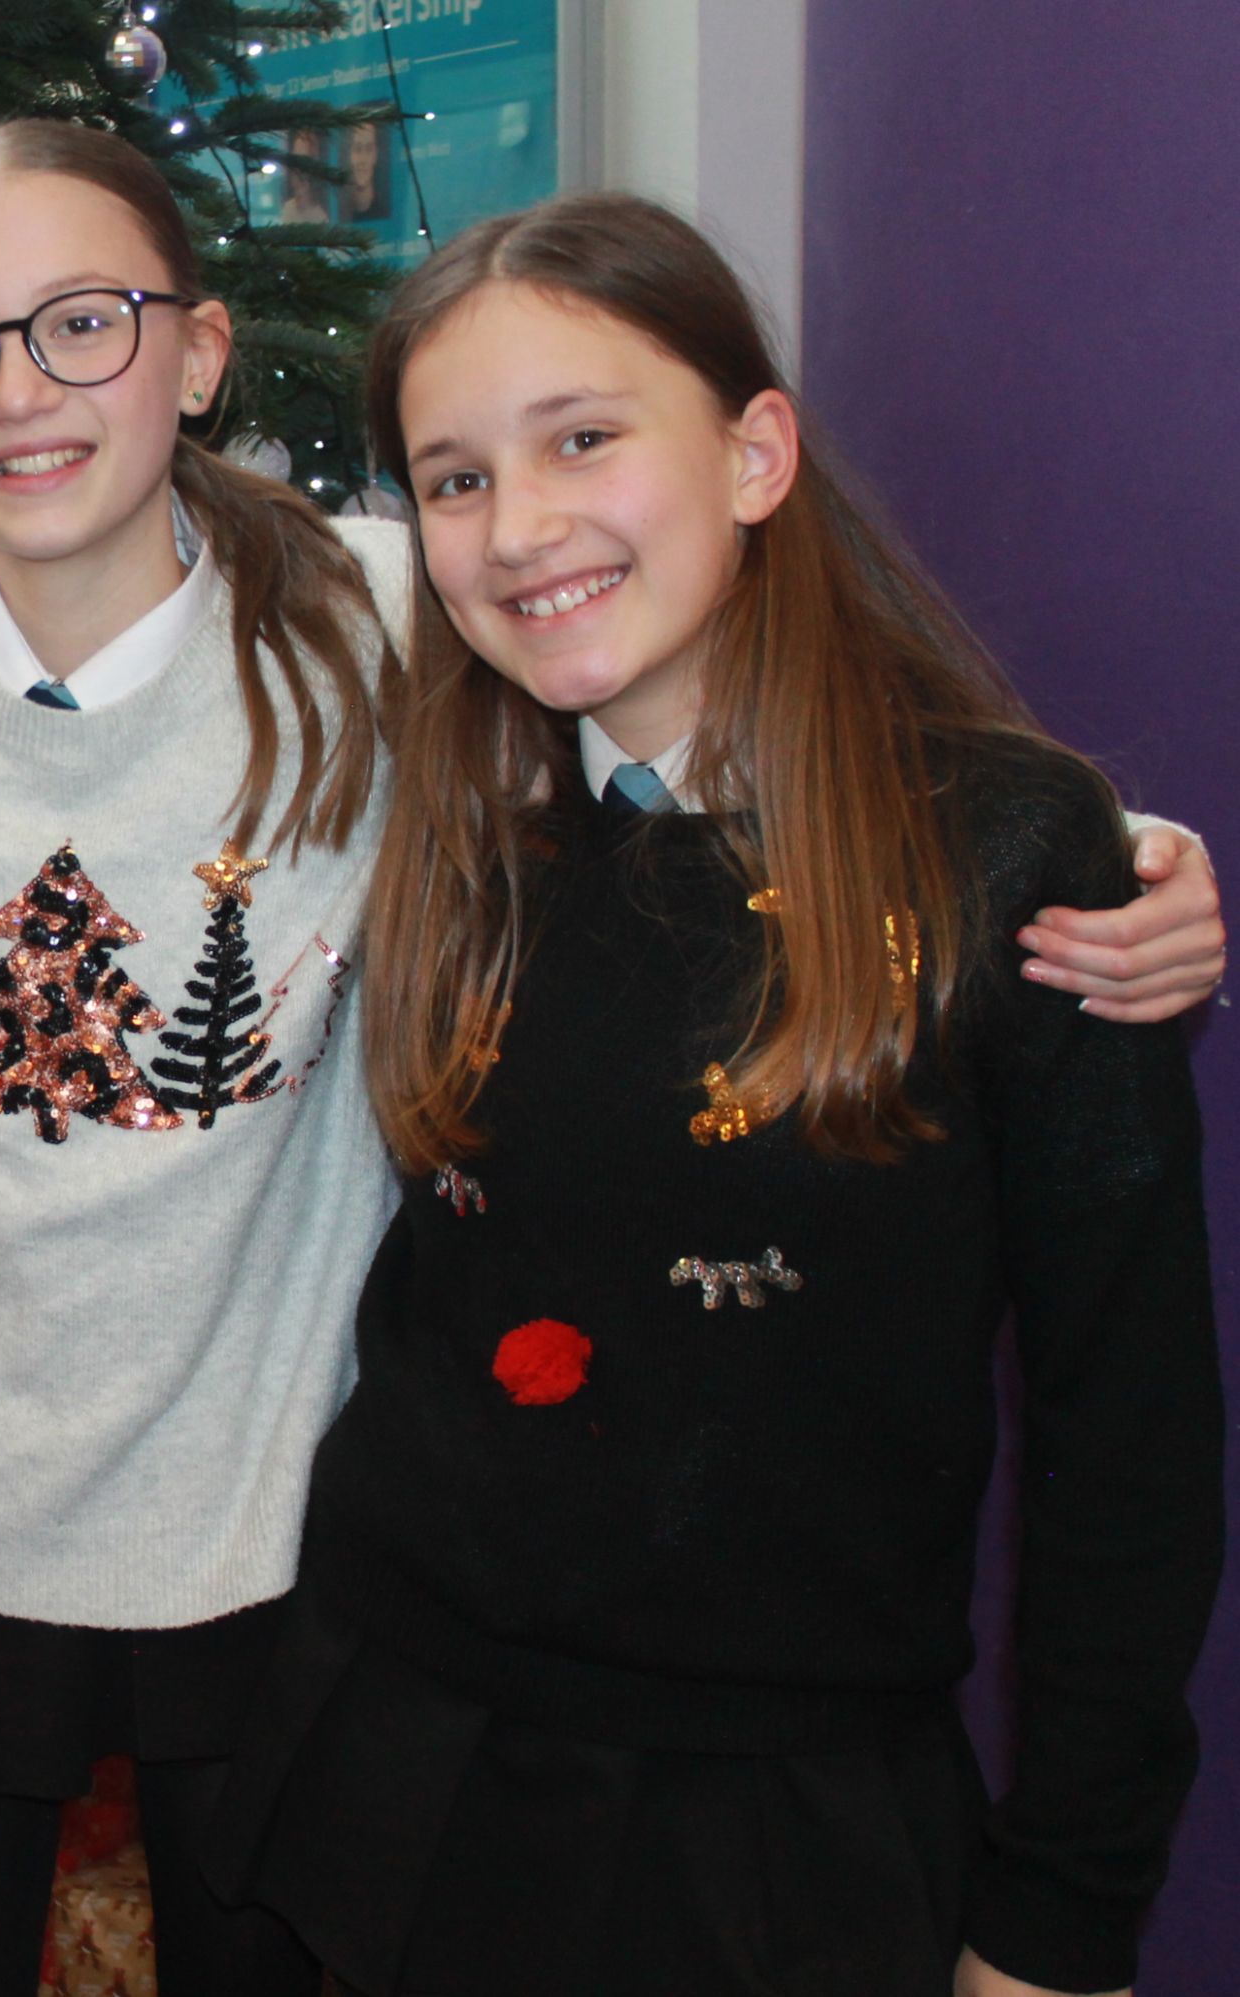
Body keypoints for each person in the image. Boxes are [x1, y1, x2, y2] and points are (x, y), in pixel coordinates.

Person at [0, 122, 1223, 1997]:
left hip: (286, 1544)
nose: (17, 391)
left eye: (80, 323)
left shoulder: (391, 606)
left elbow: (746, 734)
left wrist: (1086, 853)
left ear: (194, 351)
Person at [205, 193, 1221, 1997]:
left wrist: (1066, 1907)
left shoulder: (1016, 857)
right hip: (383, 1745)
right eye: (451, 479)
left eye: (584, 438)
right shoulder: (448, 819)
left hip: (776, 1824)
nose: (521, 529)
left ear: (757, 452)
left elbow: (1127, 1436)